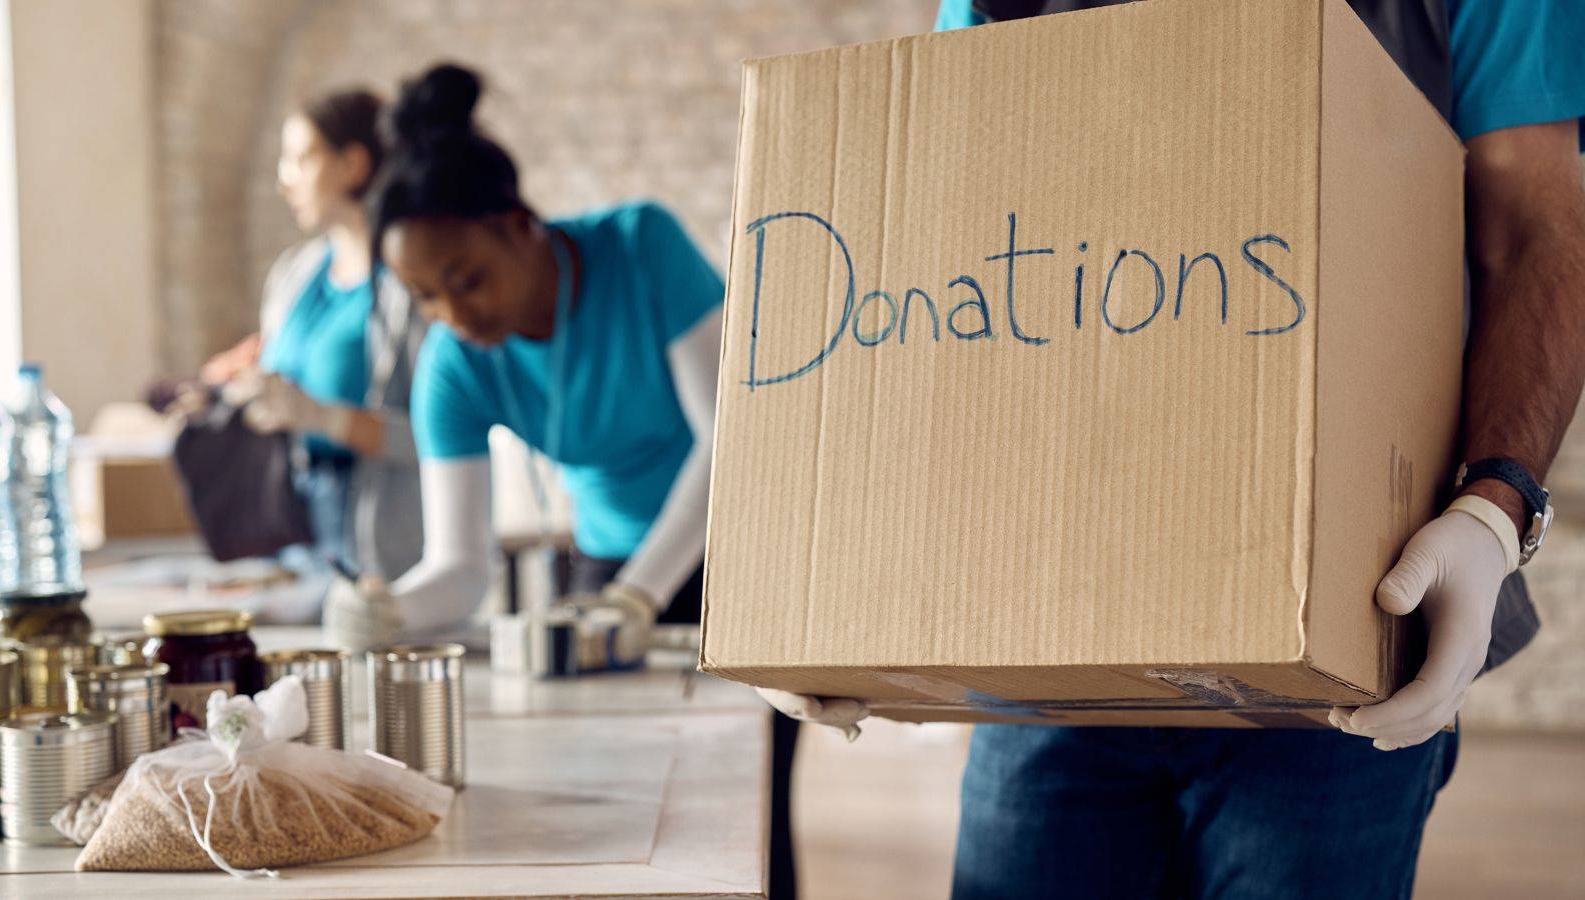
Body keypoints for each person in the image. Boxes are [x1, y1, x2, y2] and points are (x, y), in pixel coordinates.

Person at [765, 2, 1585, 897]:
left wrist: (1494, 512)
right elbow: (954, 264)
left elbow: (1536, 228)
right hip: (1051, 632)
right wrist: (833, 597)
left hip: (1350, 648)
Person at [320, 63, 799, 899]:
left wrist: (644, 597)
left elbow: (731, 442)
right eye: (425, 297)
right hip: (608, 573)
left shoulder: (640, 247)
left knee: (740, 816)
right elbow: (462, 567)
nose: (455, 316)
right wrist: (387, 607)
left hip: (734, 561)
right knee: (625, 808)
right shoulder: (454, 367)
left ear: (519, 226)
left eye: (465, 278)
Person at [205, 88, 427, 582]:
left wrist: (324, 418)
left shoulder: (411, 285)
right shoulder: (293, 277)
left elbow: (441, 438)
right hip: (292, 527)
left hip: (384, 539)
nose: (285, 182)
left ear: (353, 164)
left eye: (301, 159)